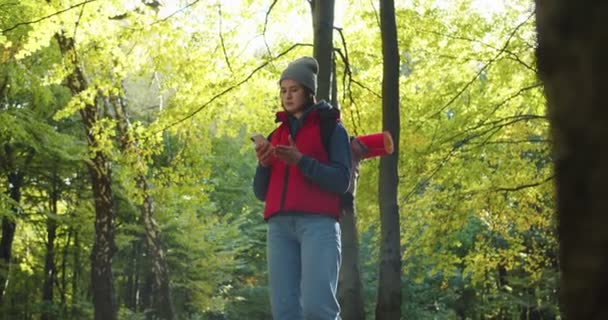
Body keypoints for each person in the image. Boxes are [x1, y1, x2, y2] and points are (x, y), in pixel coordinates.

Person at [253, 56, 352, 320]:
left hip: (318, 225)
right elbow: (261, 193)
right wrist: (263, 165)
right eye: (283, 90)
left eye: (294, 89)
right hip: (279, 228)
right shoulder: (276, 135)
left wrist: (301, 161)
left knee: (318, 308)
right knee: (285, 312)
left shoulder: (332, 128)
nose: (287, 96)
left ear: (308, 92)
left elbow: (342, 180)